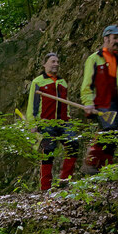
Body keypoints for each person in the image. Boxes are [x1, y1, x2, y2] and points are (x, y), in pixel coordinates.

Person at [24, 51, 81, 192]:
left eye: (57, 62)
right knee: (48, 151)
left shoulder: (63, 82)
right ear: (45, 64)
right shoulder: (38, 82)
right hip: (46, 122)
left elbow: (65, 105)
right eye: (53, 61)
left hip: (63, 122)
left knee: (73, 144)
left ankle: (65, 180)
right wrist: (33, 124)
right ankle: (45, 188)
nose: (56, 64)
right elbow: (33, 105)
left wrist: (68, 119)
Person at [81, 24, 118, 171]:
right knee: (108, 129)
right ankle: (90, 162)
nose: (117, 41)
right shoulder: (94, 59)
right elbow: (86, 84)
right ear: (106, 39)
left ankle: (103, 169)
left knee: (113, 137)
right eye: (115, 38)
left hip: (116, 105)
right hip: (100, 103)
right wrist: (88, 102)